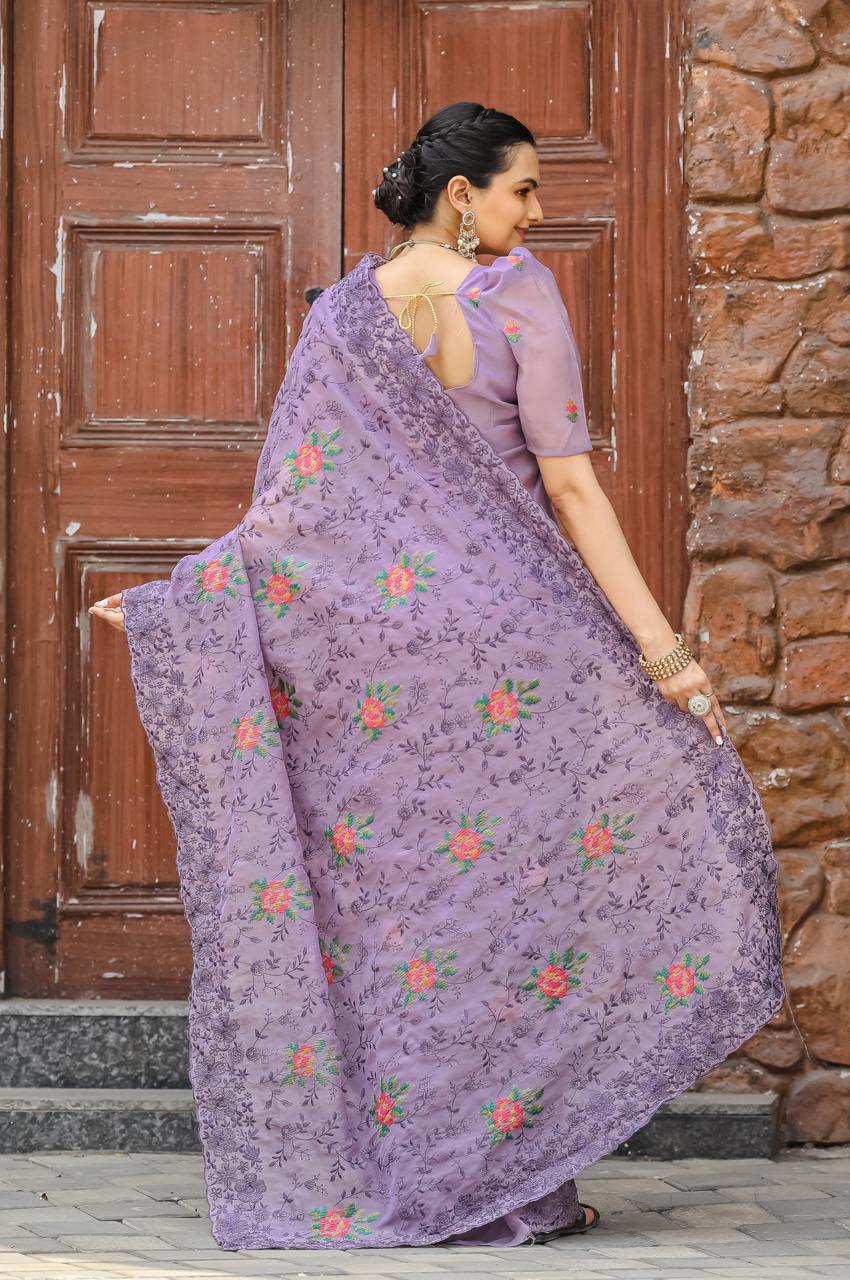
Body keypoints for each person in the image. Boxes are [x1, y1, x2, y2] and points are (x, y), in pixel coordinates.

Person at [89, 102, 785, 1252]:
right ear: (462, 194)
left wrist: (181, 601)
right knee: (505, 915)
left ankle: (440, 1177)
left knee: (414, 923)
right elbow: (569, 487)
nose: (537, 212)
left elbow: (292, 520)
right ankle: (514, 1186)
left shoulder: (344, 317)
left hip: (388, 683)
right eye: (522, 189)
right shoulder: (518, 297)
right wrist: (661, 650)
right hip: (513, 665)